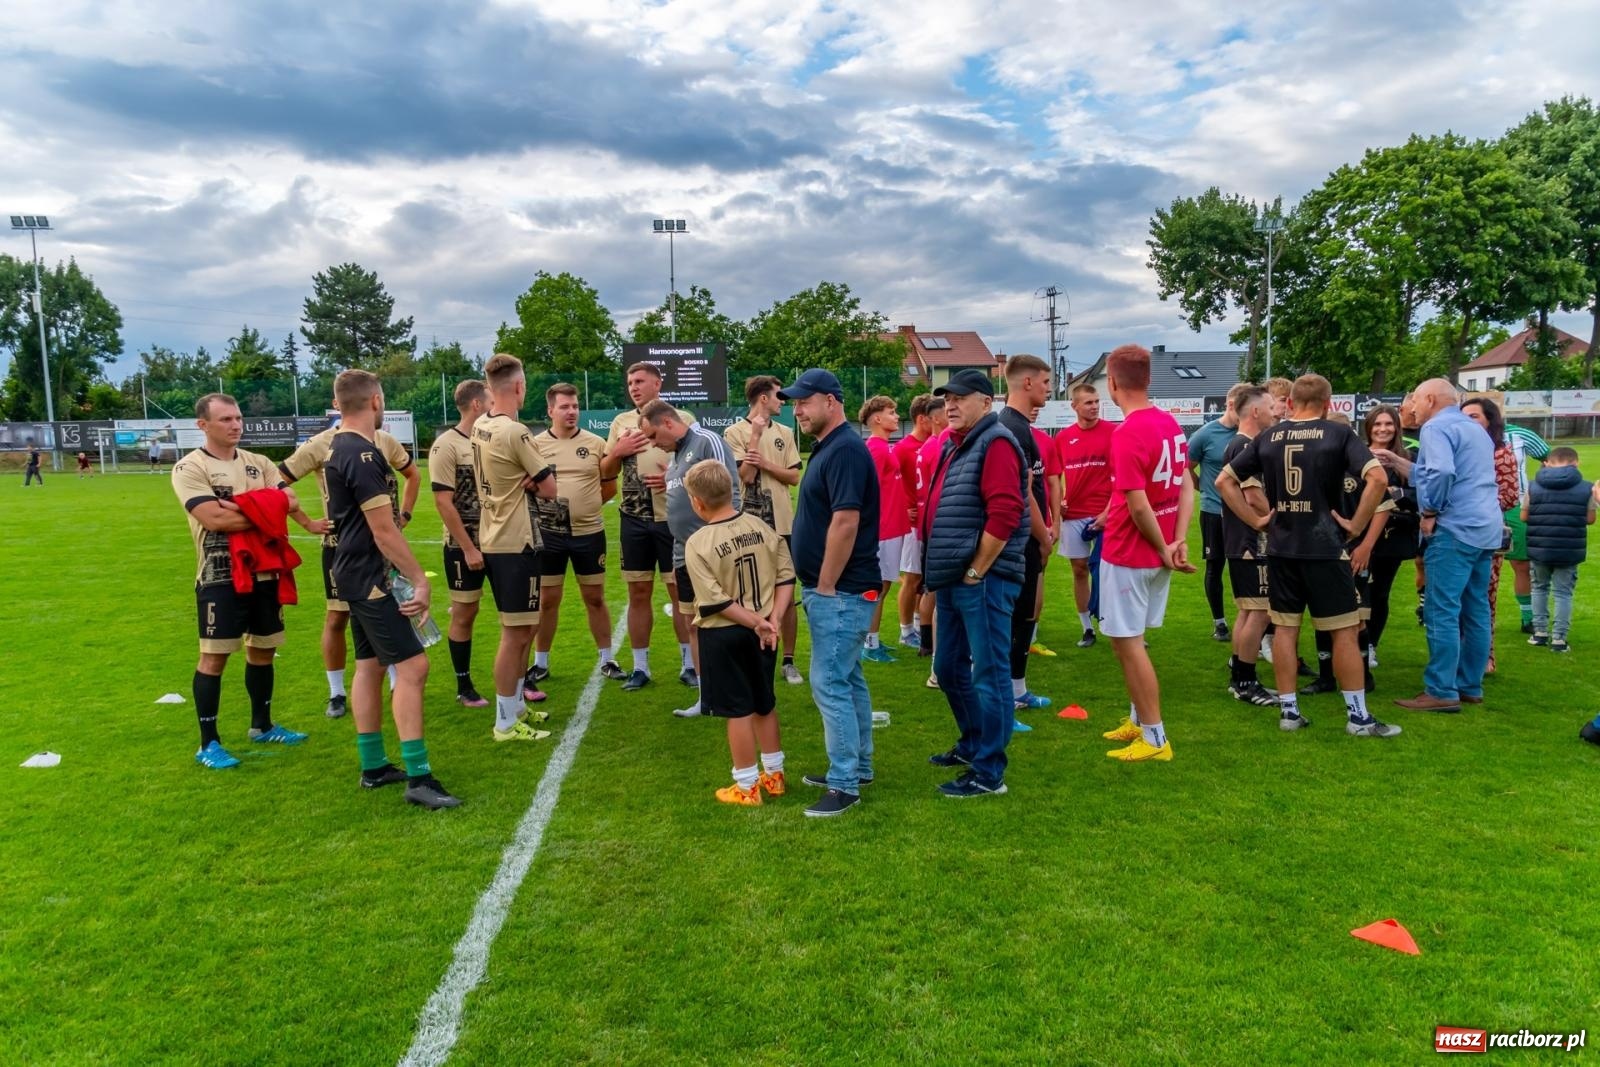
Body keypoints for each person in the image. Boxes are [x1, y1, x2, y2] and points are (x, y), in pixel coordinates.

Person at [1218, 374, 1398, 738]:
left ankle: (1289, 711)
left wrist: (1256, 520)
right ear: (1329, 403)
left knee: (1285, 630)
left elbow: (1224, 481)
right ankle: (1358, 717)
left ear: (1293, 402)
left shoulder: (1268, 436)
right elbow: (1378, 479)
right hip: (1325, 549)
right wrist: (1354, 525)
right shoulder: (1337, 434)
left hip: (1282, 549)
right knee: (1344, 632)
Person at [322, 370, 457, 808]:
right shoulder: (361, 453)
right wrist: (419, 578)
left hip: (352, 573)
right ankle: (418, 778)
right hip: (369, 576)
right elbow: (384, 530)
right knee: (414, 668)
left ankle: (374, 765)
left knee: (370, 666)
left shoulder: (337, 447)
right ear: (376, 401)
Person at [172, 393, 318, 769]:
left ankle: (262, 725)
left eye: (238, 418)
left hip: (266, 570)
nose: (235, 425)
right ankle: (209, 743)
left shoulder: (260, 463)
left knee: (264, 648)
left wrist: (242, 505)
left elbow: (291, 502)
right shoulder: (190, 468)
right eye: (225, 420)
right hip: (219, 573)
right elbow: (214, 520)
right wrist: (264, 507)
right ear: (202, 425)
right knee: (214, 656)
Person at [923, 368, 1028, 795]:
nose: (951, 404)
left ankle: (989, 772)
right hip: (956, 577)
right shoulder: (960, 444)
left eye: (961, 397)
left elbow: (1005, 513)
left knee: (990, 673)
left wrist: (976, 570)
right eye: (948, 398)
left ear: (987, 402)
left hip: (980, 579)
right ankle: (972, 743)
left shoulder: (996, 441)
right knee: (948, 668)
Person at [781, 369, 881, 818]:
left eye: (804, 402)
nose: (797, 410)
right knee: (849, 676)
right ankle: (857, 765)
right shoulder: (831, 447)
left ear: (831, 401)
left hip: (841, 590)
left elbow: (846, 521)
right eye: (794, 403)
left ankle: (844, 784)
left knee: (828, 682)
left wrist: (824, 583)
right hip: (840, 589)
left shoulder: (844, 449)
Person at [279, 415, 419, 718]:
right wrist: (307, 522)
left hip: (384, 548)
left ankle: (397, 680)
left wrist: (403, 516)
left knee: (395, 609)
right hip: (340, 549)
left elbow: (413, 474)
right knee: (337, 617)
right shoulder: (320, 444)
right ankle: (337, 692)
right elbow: (277, 483)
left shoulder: (383, 440)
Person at [1097, 346, 1196, 762]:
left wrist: (1162, 545)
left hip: (1129, 552)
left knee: (1129, 644)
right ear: (1149, 380)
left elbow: (1137, 505)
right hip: (1158, 551)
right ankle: (1139, 720)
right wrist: (1178, 540)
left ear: (1113, 384)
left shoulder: (1127, 432)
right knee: (1131, 642)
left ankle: (1155, 738)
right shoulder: (1169, 422)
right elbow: (1187, 484)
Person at [680, 460, 796, 806]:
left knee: (738, 711)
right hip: (764, 631)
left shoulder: (698, 542)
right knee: (764, 702)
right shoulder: (762, 526)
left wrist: (757, 622)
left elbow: (715, 602)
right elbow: (785, 577)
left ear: (697, 502)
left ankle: (746, 786)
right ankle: (774, 775)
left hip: (727, 633)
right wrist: (771, 619)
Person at [1388, 379, 1502, 713]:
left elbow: (1440, 472)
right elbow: (1446, 471)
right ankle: (1469, 685)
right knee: (1476, 609)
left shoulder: (1436, 428)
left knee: (1442, 609)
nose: (1412, 408)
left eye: (1415, 401)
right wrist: (1401, 465)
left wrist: (1430, 511)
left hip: (1454, 527)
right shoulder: (1472, 428)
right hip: (1485, 527)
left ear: (1431, 399)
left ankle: (1441, 689)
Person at [473, 353, 559, 741]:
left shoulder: (480, 424)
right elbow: (550, 489)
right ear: (520, 387)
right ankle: (505, 722)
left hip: (495, 535)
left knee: (524, 630)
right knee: (514, 634)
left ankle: (517, 708)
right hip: (514, 541)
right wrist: (536, 476)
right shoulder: (515, 431)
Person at [639, 400, 741, 719]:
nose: (653, 443)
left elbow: (731, 490)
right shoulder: (676, 458)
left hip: (714, 553)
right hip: (684, 555)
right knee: (694, 625)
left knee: (726, 622)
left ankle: (736, 691)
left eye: (654, 435)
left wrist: (724, 540)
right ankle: (706, 696)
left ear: (668, 423)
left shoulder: (707, 441)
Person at [602, 362, 696, 690]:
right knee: (638, 592)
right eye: (629, 382)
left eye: (640, 381)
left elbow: (698, 465)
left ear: (658, 383)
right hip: (634, 519)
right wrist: (618, 450)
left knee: (680, 592)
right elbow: (605, 470)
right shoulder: (621, 422)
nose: (633, 386)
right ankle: (641, 667)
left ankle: (689, 664)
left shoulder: (683, 419)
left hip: (673, 519)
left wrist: (672, 478)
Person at [531, 383, 624, 684]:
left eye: (574, 406)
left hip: (589, 534)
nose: (571, 412)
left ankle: (607, 658)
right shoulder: (535, 445)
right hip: (549, 534)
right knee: (547, 600)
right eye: (564, 407)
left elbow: (610, 485)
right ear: (550, 410)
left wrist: (586, 506)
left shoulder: (596, 443)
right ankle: (540, 662)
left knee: (594, 598)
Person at [724, 376, 805, 684]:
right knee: (748, 592)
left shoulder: (785, 432)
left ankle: (788, 661)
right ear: (762, 399)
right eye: (777, 396)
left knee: (787, 591)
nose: (782, 401)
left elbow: (794, 477)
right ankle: (753, 657)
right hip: (748, 527)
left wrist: (768, 465)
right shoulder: (734, 433)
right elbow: (744, 476)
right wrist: (755, 438)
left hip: (783, 525)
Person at [995, 355, 1055, 726]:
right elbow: (1023, 493)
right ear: (1027, 383)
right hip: (1019, 542)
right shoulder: (1011, 429)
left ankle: (1018, 691)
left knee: (1024, 618)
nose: (1050, 388)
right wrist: (1043, 536)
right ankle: (1005, 701)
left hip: (1029, 540)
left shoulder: (1021, 427)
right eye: (1046, 382)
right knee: (1013, 619)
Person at [427, 379, 492, 707]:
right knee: (465, 613)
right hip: (463, 545)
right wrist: (468, 547)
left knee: (518, 612)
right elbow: (443, 502)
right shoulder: (446, 445)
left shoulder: (490, 440)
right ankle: (464, 686)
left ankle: (520, 679)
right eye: (490, 399)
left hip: (499, 541)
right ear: (478, 405)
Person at [1217, 384, 1279, 707]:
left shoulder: (1241, 444)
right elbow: (1253, 496)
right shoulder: (1245, 447)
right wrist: (1275, 518)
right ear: (1255, 411)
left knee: (1249, 611)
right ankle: (1245, 681)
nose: (1275, 411)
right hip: (1251, 544)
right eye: (1270, 406)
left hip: (1243, 542)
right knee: (1260, 612)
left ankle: (1241, 675)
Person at [1459, 397, 1523, 672]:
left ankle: (1485, 657)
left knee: (1483, 598)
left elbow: (1509, 497)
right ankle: (1461, 656)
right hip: (1456, 533)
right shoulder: (1459, 450)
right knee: (1455, 600)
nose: (1467, 421)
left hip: (1485, 535)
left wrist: (1471, 503)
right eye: (1463, 416)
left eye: (1474, 416)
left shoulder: (1500, 452)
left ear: (1490, 420)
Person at [1056, 382, 1116, 648]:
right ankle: (1087, 628)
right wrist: (1058, 501)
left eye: (1096, 401)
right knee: (1079, 570)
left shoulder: (1114, 433)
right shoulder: (1063, 438)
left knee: (1112, 572)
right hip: (1074, 514)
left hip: (1108, 512)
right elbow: (1053, 477)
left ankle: (1120, 627)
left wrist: (1107, 512)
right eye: (1088, 402)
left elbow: (1124, 479)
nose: (1094, 406)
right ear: (1074, 406)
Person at [1359, 405, 1418, 667]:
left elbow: (1423, 495)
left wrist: (1398, 495)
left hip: (1392, 537)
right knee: (1359, 593)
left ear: (1397, 427)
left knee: (1380, 593)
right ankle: (1354, 645)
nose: (1383, 429)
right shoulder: (1356, 454)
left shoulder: (1408, 457)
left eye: (1388, 424)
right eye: (1377, 424)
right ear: (1368, 427)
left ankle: (1371, 644)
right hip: (1360, 535)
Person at [1523, 446, 1595, 654]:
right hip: (1569, 548)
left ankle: (1539, 633)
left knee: (1539, 588)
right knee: (1563, 593)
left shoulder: (1533, 486)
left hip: (1540, 548)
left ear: (1547, 463)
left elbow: (1524, 516)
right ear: (1576, 463)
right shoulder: (1586, 487)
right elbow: (1590, 519)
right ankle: (1559, 639)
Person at [860, 395, 910, 662]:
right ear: (877, 418)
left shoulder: (885, 446)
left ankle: (873, 640)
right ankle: (870, 644)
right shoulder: (876, 449)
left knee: (883, 586)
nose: (896, 416)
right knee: (878, 587)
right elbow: (869, 492)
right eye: (891, 411)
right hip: (883, 530)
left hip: (892, 527)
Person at [1188, 390, 1240, 641]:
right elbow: (1185, 467)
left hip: (1245, 513)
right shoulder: (1206, 434)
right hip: (1213, 512)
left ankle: (1251, 621)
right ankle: (1219, 622)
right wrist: (1204, 489)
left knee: (1245, 567)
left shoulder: (1252, 433)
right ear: (1231, 405)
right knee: (1215, 565)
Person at [892, 393, 936, 652]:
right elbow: (887, 483)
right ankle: (905, 630)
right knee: (911, 577)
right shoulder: (903, 448)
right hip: (911, 526)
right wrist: (901, 509)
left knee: (925, 578)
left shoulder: (935, 444)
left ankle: (920, 624)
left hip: (928, 522)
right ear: (923, 419)